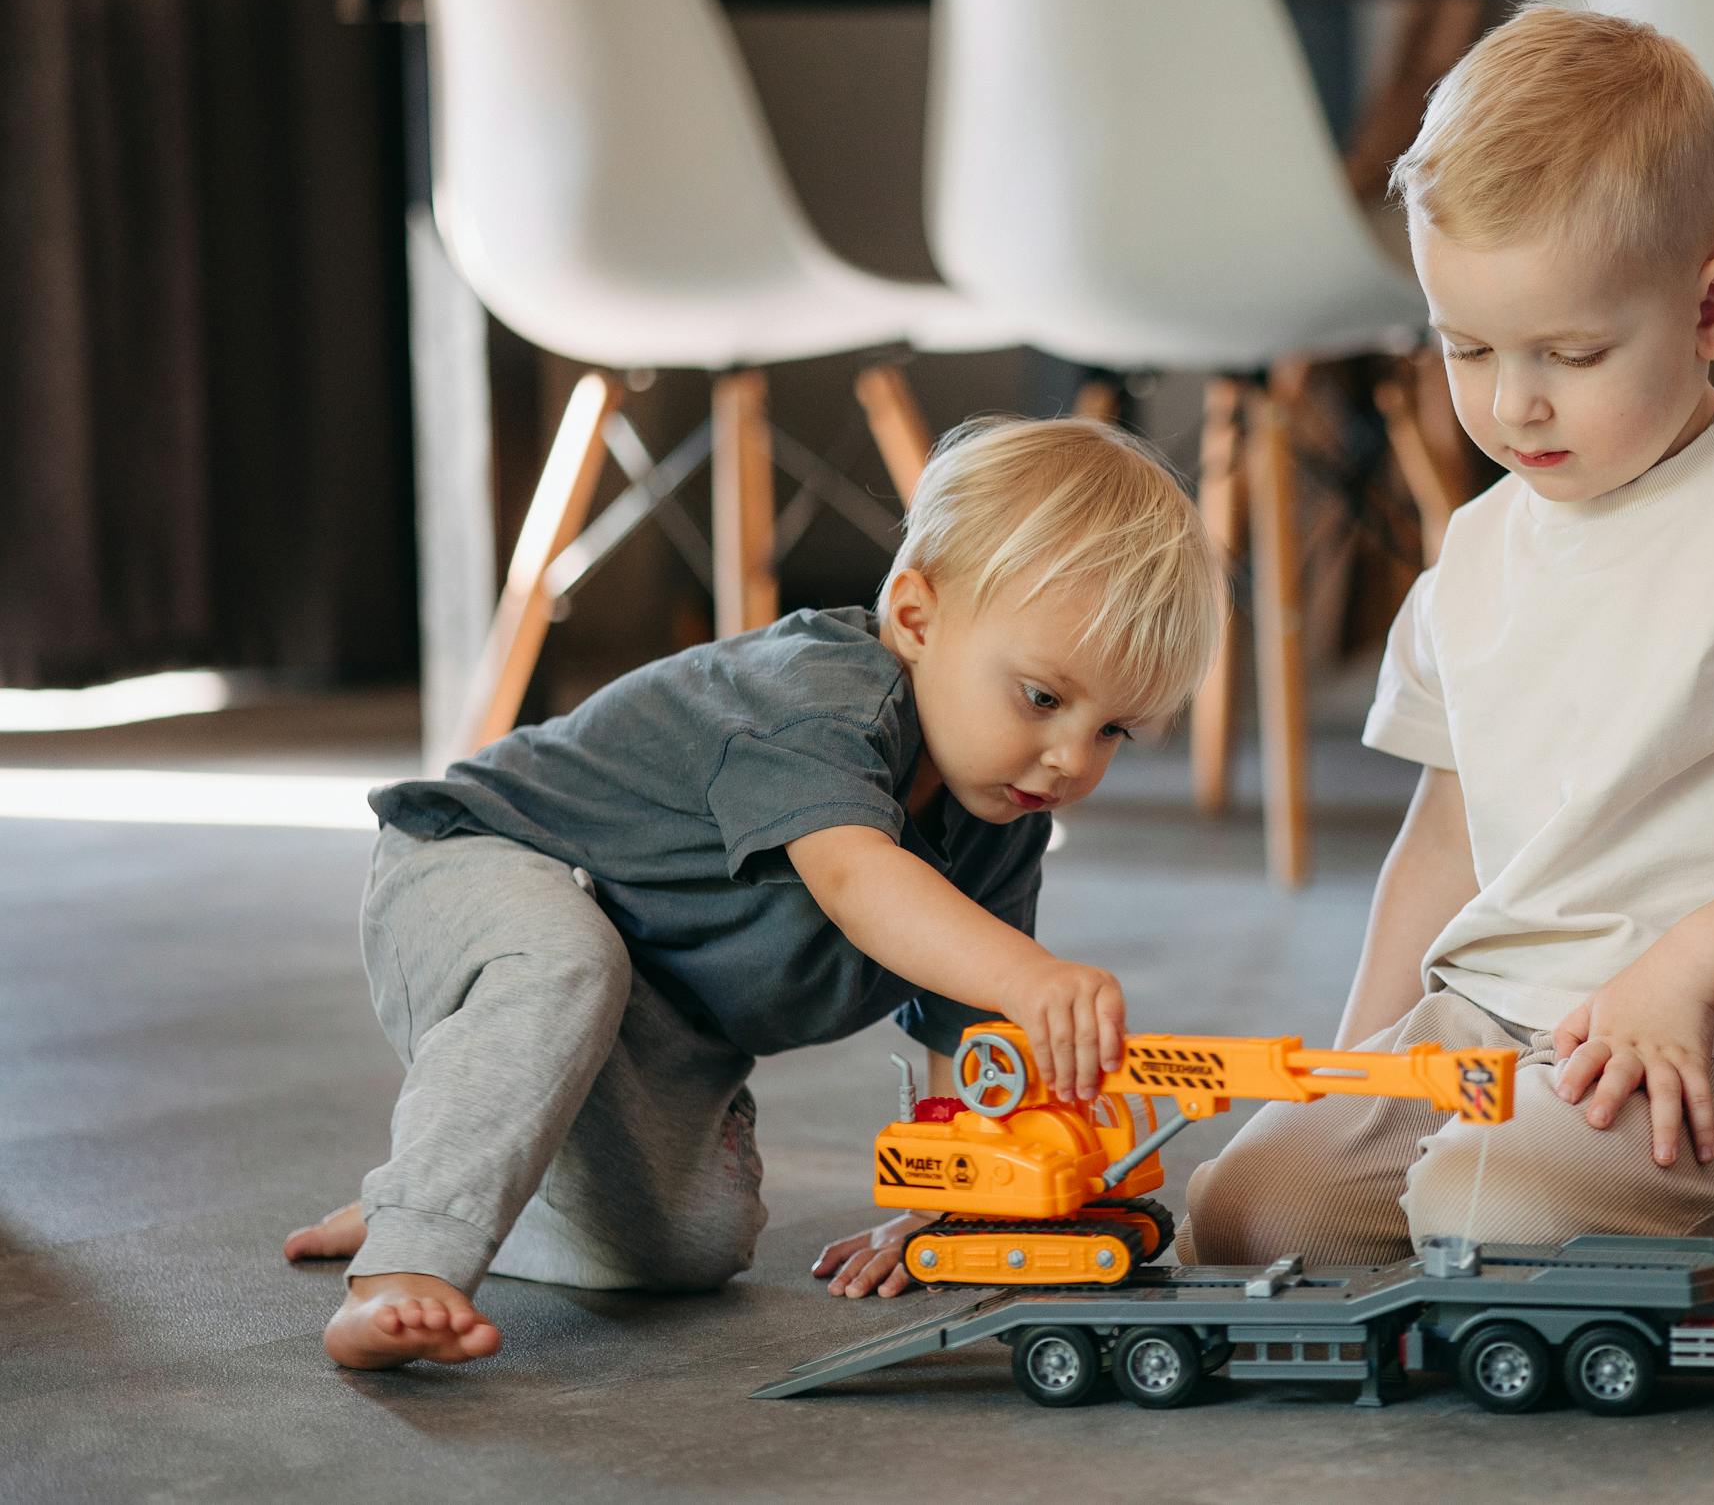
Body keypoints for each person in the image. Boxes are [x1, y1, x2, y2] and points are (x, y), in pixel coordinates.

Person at [1179, 2, 1714, 1266]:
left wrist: (1687, 969)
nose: (1513, 402)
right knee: (1241, 1216)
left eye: (1573, 351)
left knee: (1481, 1211)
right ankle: (1460, 1176)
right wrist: (1351, 1065)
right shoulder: (1478, 549)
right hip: (1483, 1030)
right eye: (1466, 346)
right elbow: (1441, 833)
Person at [283, 416, 1224, 1366]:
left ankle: (452, 1169)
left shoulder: (1001, 819)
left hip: (655, 996)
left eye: (1115, 732)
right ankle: (406, 1263)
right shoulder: (818, 698)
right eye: (1043, 698)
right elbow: (859, 878)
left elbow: (967, 1040)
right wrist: (1028, 974)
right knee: (562, 960)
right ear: (916, 620)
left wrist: (949, 1212)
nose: (1070, 759)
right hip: (477, 864)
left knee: (691, 1247)